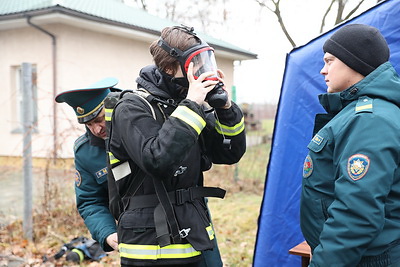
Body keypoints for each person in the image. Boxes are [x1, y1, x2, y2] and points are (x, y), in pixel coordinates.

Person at [107, 26, 246, 266]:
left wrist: (226, 110)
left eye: (207, 61)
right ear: (170, 68)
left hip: (194, 232)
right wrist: (192, 104)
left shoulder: (186, 107)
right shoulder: (131, 107)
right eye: (196, 63)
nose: (203, 70)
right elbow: (158, 160)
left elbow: (230, 152)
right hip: (150, 246)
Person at [300, 24, 400, 266]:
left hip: (367, 259)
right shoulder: (363, 113)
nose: (323, 71)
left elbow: (356, 213)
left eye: (329, 60)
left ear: (354, 62)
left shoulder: (369, 120)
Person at [55, 78, 120, 252]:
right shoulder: (85, 152)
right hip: (134, 235)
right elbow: (90, 201)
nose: (96, 130)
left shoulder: (144, 122)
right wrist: (108, 233)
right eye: (88, 124)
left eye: (99, 120)